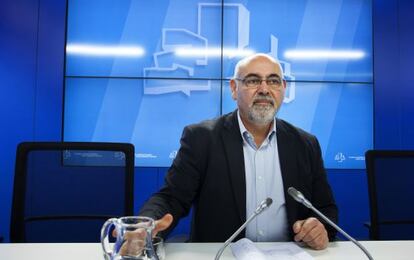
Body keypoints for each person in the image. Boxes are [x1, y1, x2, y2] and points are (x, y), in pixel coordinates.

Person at [139, 53, 338, 250]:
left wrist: (321, 229)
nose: (264, 89)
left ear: (283, 89)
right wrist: (146, 226)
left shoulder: (305, 144)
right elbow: (171, 198)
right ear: (234, 88)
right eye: (253, 81)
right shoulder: (201, 138)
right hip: (221, 255)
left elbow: (325, 209)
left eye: (273, 81)